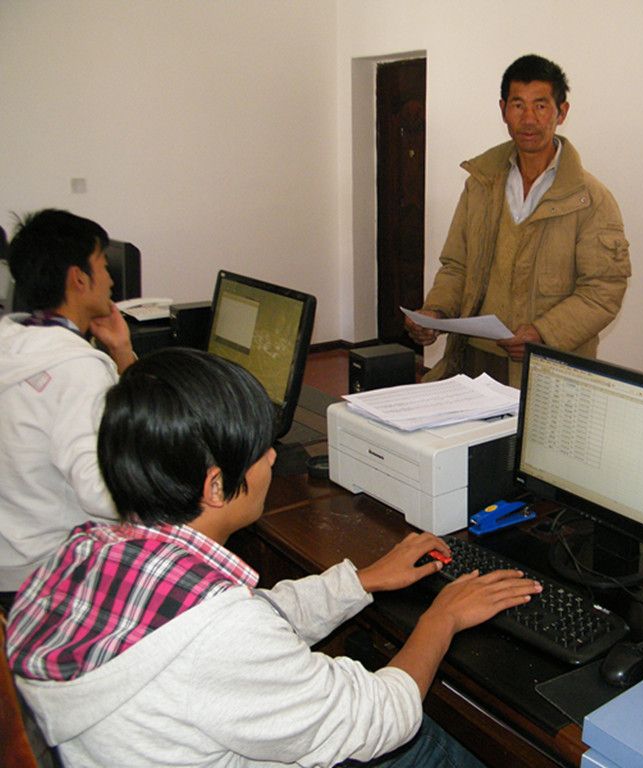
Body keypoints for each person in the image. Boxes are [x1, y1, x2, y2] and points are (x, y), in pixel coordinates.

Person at [5, 348, 541, 767]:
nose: (270, 458)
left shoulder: (87, 550)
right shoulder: (219, 634)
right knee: (449, 743)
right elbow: (376, 719)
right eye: (260, 449)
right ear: (216, 486)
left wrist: (361, 581)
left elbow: (253, 616)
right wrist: (441, 618)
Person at [404, 54, 631, 386]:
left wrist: (543, 333)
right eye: (518, 105)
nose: (528, 119)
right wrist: (435, 312)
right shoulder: (480, 185)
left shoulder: (591, 200)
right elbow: (457, 266)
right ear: (503, 110)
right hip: (474, 361)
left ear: (562, 112)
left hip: (549, 367)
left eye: (541, 106)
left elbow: (603, 290)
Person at [0, 209, 136, 613]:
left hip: (10, 558)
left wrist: (121, 352)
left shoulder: (14, 341)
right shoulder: (76, 370)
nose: (111, 280)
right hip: (50, 576)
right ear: (79, 278)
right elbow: (105, 496)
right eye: (103, 266)